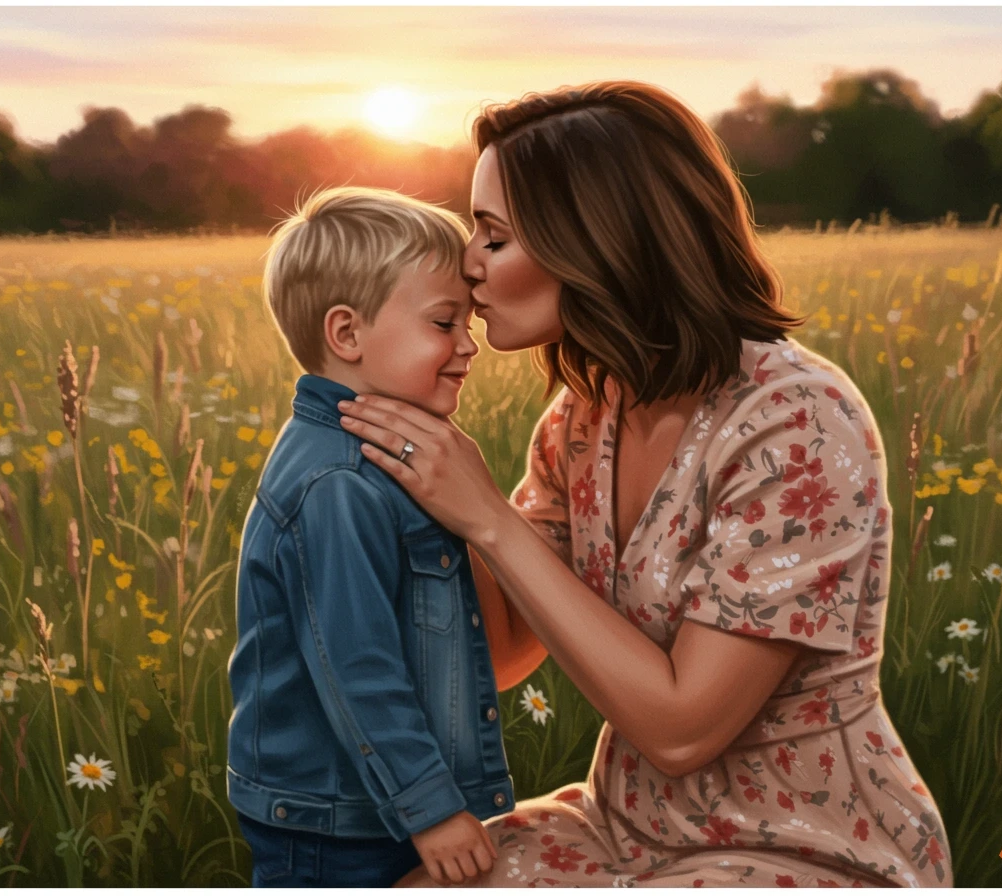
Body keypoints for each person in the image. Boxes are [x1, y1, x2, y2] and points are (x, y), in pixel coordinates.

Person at [337, 82, 953, 886]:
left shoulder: (797, 424)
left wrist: (487, 516)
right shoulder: (584, 416)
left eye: (493, 236)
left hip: (798, 842)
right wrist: (383, 490)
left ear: (596, 241)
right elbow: (504, 652)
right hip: (622, 824)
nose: (468, 263)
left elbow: (681, 731)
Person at [226, 187, 514, 887]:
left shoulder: (382, 454)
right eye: (444, 322)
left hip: (358, 805)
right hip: (337, 825)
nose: (467, 345)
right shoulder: (340, 484)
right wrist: (431, 809)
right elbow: (357, 664)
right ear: (347, 335)